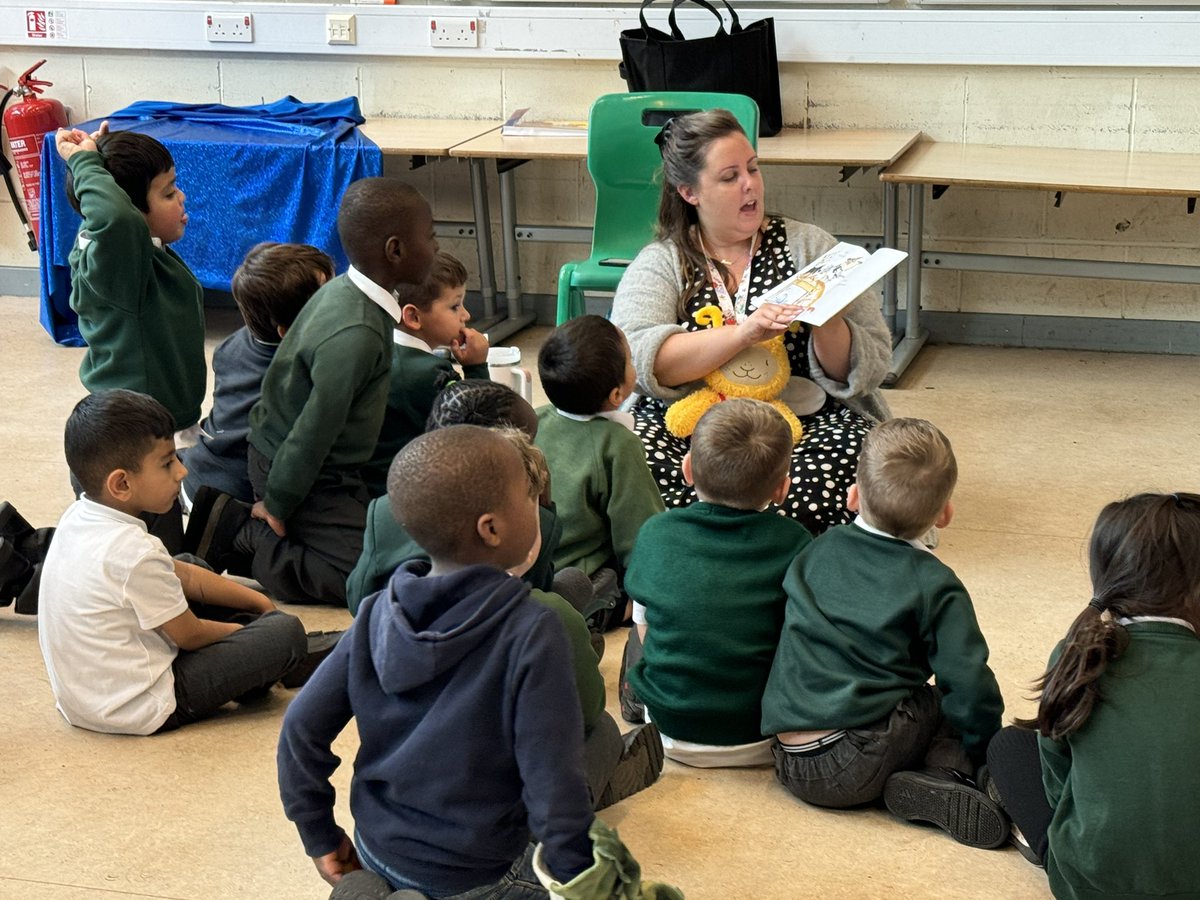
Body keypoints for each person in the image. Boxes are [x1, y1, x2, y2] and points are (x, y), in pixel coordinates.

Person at [277, 426, 669, 898]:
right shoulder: (532, 629)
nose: (540, 504)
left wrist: (318, 834)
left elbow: (299, 731)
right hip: (477, 872)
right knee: (603, 734)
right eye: (531, 496)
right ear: (492, 528)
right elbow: (554, 793)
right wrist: (584, 883)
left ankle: (371, 891)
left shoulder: (378, 611)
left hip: (377, 847)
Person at [347, 379, 663, 810]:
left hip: (398, 796)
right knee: (603, 728)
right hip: (506, 809)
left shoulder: (384, 525)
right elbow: (582, 709)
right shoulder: (544, 607)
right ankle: (586, 796)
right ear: (494, 525)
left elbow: (357, 594)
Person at [609, 109, 894, 536]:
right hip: (692, 425)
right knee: (633, 461)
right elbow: (641, 361)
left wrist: (828, 320)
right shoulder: (662, 262)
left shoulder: (809, 246)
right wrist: (744, 334)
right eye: (729, 177)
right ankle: (695, 557)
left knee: (852, 453)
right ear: (690, 192)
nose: (750, 185)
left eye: (754, 169)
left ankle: (767, 564)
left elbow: (867, 369)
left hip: (803, 421)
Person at [186, 178, 438, 606]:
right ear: (394, 251)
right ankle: (245, 534)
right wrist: (278, 504)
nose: (435, 246)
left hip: (328, 464)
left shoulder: (348, 291)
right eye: (430, 238)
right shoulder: (356, 331)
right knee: (367, 582)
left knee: (399, 544)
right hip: (301, 470)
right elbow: (313, 432)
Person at [761, 418, 1007, 848]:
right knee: (946, 702)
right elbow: (967, 684)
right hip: (856, 759)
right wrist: (988, 747)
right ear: (944, 514)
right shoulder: (935, 583)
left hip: (787, 757)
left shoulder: (815, 548)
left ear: (853, 496)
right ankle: (943, 774)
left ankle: (916, 779)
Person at [37, 390, 309, 735]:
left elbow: (181, 572)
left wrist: (258, 602)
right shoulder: (132, 553)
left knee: (184, 562)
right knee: (285, 634)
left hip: (89, 699)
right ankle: (259, 665)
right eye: (167, 463)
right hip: (140, 706)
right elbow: (190, 635)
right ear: (122, 483)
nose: (182, 472)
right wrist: (247, 634)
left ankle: (254, 656)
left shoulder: (80, 514)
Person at [983, 493, 1200, 896]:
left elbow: (1057, 786)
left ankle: (1032, 838)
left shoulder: (1079, 656)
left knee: (1008, 745)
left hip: (1087, 886)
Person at [622, 399, 812, 767]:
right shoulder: (796, 542)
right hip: (761, 734)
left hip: (666, 730)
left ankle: (636, 696)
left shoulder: (656, 531)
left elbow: (645, 628)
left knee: (641, 627)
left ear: (687, 469)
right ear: (782, 489)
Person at [57, 121, 206, 553]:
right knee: (145, 553)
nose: (181, 199)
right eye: (167, 192)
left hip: (155, 425)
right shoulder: (118, 260)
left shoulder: (134, 250)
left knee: (152, 547)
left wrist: (101, 161)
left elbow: (115, 216)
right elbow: (115, 217)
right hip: (133, 442)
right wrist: (84, 161)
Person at [535, 315, 665, 630]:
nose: (634, 364)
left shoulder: (533, 418)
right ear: (617, 395)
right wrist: (646, 593)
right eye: (631, 360)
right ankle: (592, 615)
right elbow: (639, 530)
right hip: (579, 575)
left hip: (528, 569)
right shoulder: (618, 445)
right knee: (618, 583)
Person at [182, 242, 335, 506]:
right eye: (327, 297)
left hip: (200, 467)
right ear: (287, 331)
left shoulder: (232, 344)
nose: (338, 301)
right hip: (230, 498)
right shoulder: (303, 375)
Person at [363, 250, 491, 496]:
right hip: (408, 491)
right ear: (413, 317)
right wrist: (476, 367)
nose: (466, 315)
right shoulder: (428, 372)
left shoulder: (377, 344)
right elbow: (478, 430)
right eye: (455, 306)